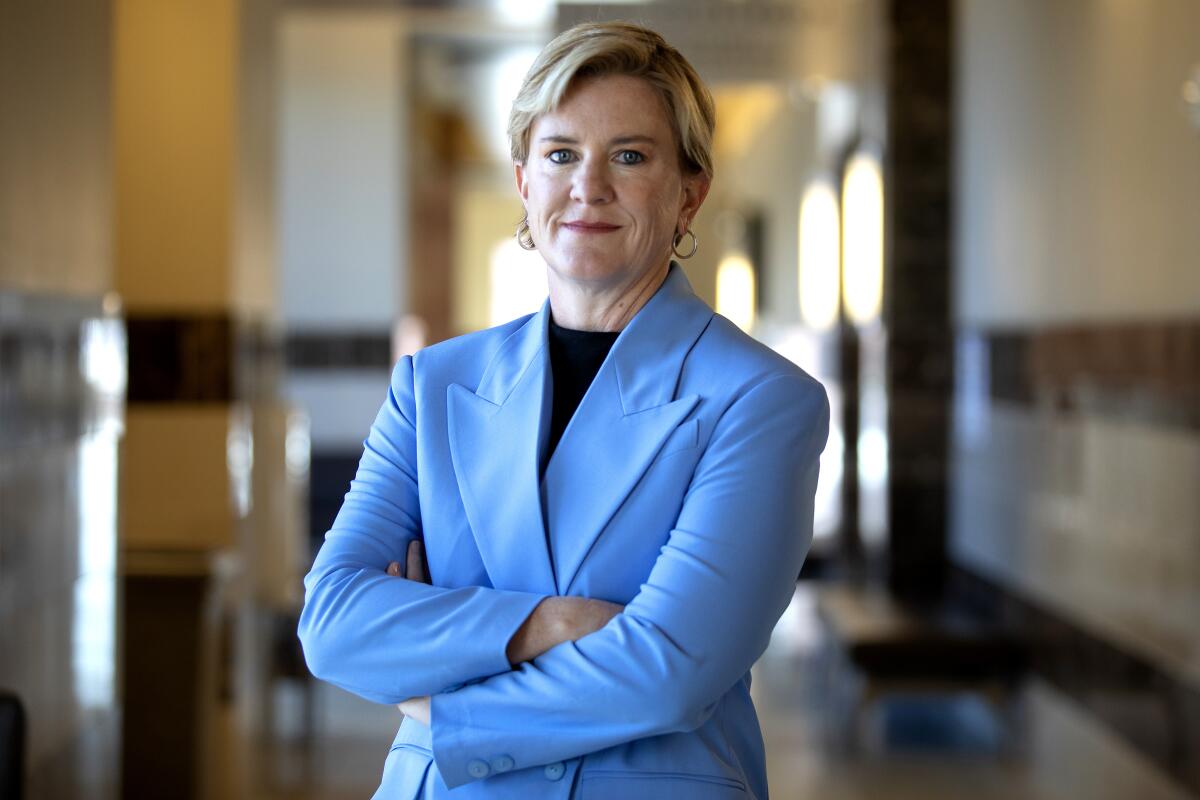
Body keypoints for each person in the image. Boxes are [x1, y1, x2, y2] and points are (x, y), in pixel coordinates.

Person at [298, 20, 830, 800]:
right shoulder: (432, 385)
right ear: (524, 182)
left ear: (691, 191)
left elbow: (665, 673)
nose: (589, 187)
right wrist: (545, 624)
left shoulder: (760, 401)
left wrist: (439, 695)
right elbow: (333, 622)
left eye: (630, 155)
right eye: (560, 155)